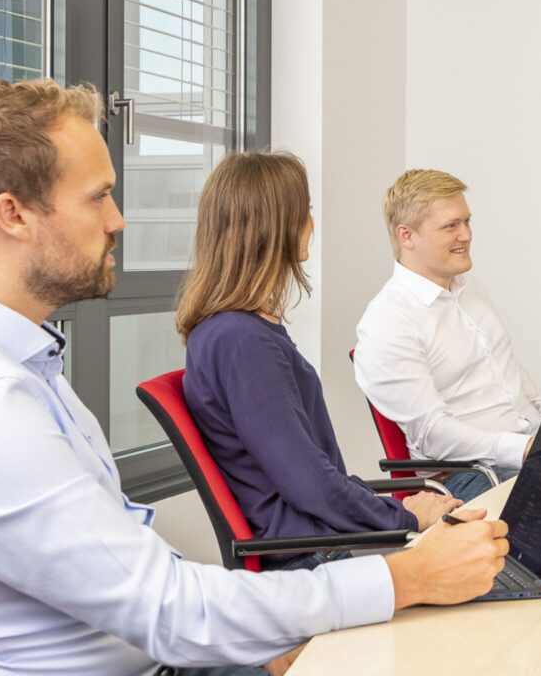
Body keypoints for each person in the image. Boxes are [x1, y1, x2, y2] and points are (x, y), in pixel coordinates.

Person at [0, 79, 511, 676]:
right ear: (13, 215)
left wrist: (282, 631)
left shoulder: (17, 367)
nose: (117, 221)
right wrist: (404, 578)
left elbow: (153, 591)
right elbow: (170, 614)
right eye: (99, 196)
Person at [177, 152, 466, 569]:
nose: (312, 223)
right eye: (305, 211)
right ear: (274, 227)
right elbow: (311, 486)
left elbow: (310, 476)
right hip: (312, 559)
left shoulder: (237, 332)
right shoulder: (242, 341)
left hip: (323, 541)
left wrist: (394, 510)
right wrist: (404, 515)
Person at [353, 169, 541, 501]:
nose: (466, 235)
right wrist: (524, 447)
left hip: (525, 454)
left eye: (467, 221)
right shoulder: (389, 322)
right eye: (451, 226)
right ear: (406, 235)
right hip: (466, 477)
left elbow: (509, 374)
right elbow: (433, 435)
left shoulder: (471, 290)